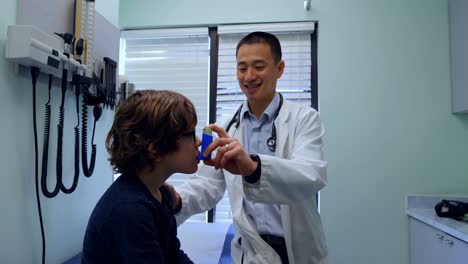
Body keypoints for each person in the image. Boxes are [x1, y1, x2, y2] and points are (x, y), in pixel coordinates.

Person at [171, 32, 329, 264]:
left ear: (280, 68)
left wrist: (254, 168)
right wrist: (176, 199)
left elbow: (311, 175)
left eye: (259, 66)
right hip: (252, 251)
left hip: (299, 250)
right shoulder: (227, 126)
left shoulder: (304, 119)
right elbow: (208, 185)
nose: (249, 76)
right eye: (242, 68)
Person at [82, 90, 198, 264]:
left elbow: (173, 256)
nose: (199, 142)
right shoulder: (130, 210)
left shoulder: (161, 194)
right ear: (157, 149)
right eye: (191, 135)